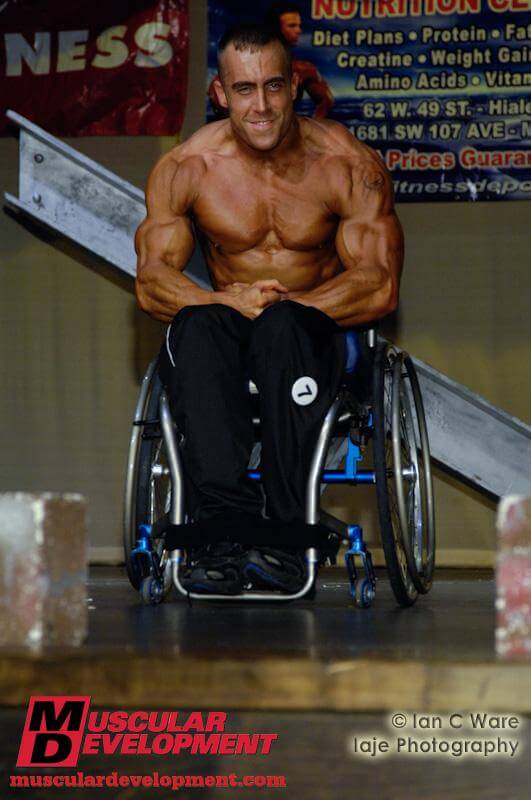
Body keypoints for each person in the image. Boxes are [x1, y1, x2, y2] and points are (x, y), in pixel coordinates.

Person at [135, 23, 403, 594]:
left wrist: (289, 306)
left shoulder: (346, 164)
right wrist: (223, 300)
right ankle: (222, 533)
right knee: (196, 326)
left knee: (283, 327)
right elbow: (153, 281)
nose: (260, 105)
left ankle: (285, 534)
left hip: (316, 330)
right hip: (229, 324)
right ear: (220, 94)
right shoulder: (187, 168)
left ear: (294, 87)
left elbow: (379, 284)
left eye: (273, 86)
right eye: (244, 89)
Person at [208, 4, 334, 119]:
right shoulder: (227, 77)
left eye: (274, 85)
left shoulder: (303, 70)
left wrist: (308, 131)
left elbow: (325, 101)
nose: (299, 30)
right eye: (292, 26)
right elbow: (216, 97)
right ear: (276, 29)